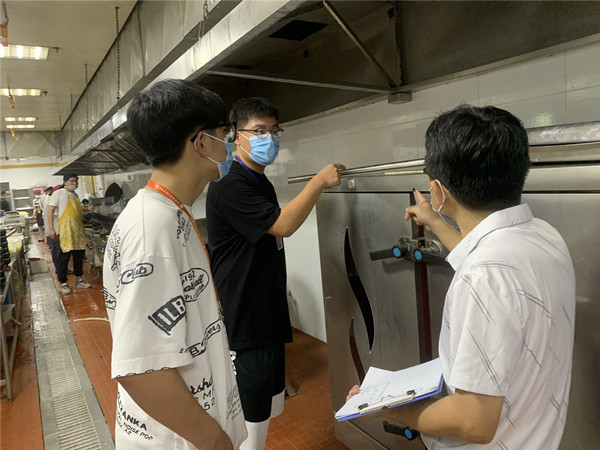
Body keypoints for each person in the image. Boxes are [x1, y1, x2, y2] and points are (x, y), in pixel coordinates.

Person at [346, 105, 576, 449]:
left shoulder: (482, 279)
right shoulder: (543, 235)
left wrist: (383, 405)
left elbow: (473, 423)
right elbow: (487, 262)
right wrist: (435, 221)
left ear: (438, 191)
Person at [102, 79, 247, 449]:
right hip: (178, 440)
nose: (230, 143)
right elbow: (140, 369)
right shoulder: (153, 228)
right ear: (202, 142)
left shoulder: (168, 212)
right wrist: (214, 441)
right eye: (225, 133)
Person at [206, 97, 345, 450]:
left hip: (265, 314)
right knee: (249, 422)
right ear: (236, 135)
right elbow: (283, 225)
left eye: (274, 130)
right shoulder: (231, 185)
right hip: (245, 322)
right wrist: (318, 181)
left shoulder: (258, 180)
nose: (269, 138)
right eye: (259, 131)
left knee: (265, 412)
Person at [46, 174, 92, 294]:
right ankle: (63, 283)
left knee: (79, 256)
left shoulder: (75, 195)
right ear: (65, 182)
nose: (74, 183)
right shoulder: (59, 193)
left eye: (76, 181)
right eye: (71, 181)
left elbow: (78, 210)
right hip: (65, 231)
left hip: (78, 231)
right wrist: (51, 229)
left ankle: (79, 279)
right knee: (64, 257)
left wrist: (87, 209)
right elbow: (50, 211)